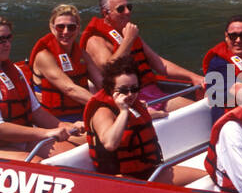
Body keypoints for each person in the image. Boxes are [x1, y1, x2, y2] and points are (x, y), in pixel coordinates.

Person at [0, 14, 83, 159]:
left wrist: (61, 126)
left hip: (15, 141)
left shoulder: (14, 71)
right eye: (1, 40)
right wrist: (46, 133)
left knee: (68, 153)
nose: (7, 44)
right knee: (37, 165)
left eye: (9, 38)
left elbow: (36, 112)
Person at [83, 55, 204, 185]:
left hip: (150, 172)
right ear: (111, 88)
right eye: (124, 90)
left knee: (207, 177)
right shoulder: (102, 111)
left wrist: (154, 114)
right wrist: (123, 111)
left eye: (134, 89)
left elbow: (134, 123)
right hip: (120, 179)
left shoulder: (134, 105)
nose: (130, 94)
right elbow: (110, 143)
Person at [80, 0, 205, 112]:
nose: (127, 12)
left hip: (153, 93)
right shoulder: (95, 40)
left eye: (128, 7)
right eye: (120, 9)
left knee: (202, 109)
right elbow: (110, 70)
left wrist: (193, 76)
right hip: (128, 99)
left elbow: (160, 65)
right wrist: (128, 40)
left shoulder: (129, 33)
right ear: (105, 13)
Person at [28, 3, 91, 122]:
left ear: (78, 29)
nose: (66, 32)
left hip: (81, 112)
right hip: (53, 119)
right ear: (52, 28)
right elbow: (70, 89)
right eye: (60, 27)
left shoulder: (82, 54)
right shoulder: (44, 56)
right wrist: (105, 103)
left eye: (71, 27)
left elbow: (101, 81)